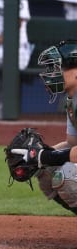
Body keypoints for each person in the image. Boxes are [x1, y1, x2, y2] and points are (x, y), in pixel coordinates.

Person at [13, 39, 77, 214]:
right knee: (46, 173)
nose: (53, 73)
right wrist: (34, 157)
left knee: (68, 175)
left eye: (59, 67)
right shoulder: (72, 100)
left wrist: (44, 156)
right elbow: (72, 144)